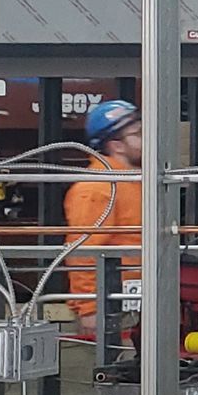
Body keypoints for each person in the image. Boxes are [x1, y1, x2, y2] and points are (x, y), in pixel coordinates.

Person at [63, 98, 143, 323]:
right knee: (117, 357)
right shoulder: (97, 187)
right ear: (116, 145)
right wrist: (89, 307)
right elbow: (84, 250)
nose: (146, 139)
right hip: (112, 305)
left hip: (134, 300)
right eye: (137, 134)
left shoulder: (132, 181)